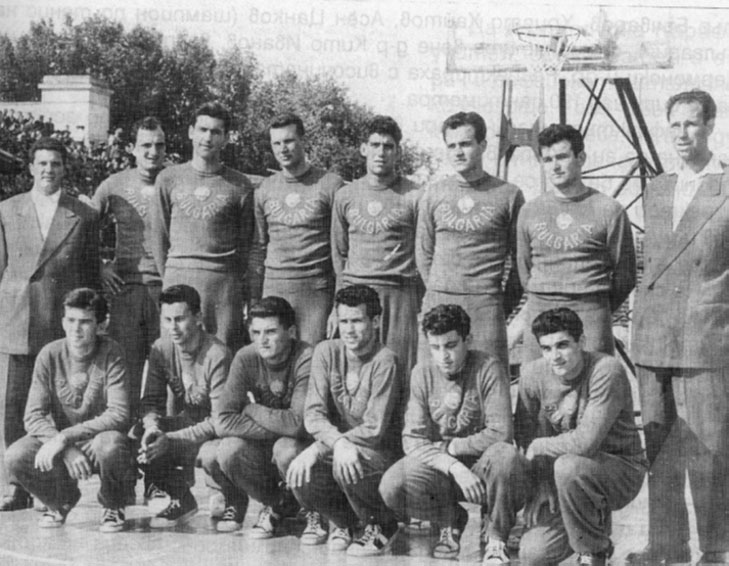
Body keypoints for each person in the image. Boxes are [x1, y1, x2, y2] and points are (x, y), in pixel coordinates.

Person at [629, 89, 729, 565]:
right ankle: (667, 545)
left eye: (691, 123)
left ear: (710, 125)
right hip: (653, 339)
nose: (682, 134)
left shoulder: (725, 185)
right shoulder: (657, 188)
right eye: (674, 125)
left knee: (709, 449)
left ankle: (716, 547)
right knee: (660, 447)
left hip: (704, 338)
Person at [492, 308, 646, 566]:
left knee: (569, 466)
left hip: (619, 470)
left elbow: (585, 443)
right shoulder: (533, 374)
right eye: (546, 348)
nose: (555, 356)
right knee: (534, 554)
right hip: (562, 476)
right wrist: (543, 484)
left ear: (581, 342)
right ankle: (591, 525)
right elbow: (525, 436)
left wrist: (541, 445)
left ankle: (593, 551)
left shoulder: (606, 370)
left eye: (562, 345)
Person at [0, 137, 99, 511]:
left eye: (55, 163)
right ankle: (16, 484)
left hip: (61, 323)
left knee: (56, 407)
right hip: (18, 321)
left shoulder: (83, 214)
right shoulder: (7, 210)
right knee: (14, 406)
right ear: (31, 168)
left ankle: (51, 485)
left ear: (64, 168)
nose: (48, 170)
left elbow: (89, 275)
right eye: (42, 163)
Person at [379, 304, 513, 563]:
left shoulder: (488, 367)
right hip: (445, 469)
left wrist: (453, 447)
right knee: (392, 485)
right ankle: (449, 520)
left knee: (505, 457)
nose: (444, 356)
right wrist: (453, 466)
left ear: (468, 340)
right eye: (436, 347)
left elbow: (501, 432)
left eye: (451, 345)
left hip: (483, 465)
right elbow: (412, 438)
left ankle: (496, 536)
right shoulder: (422, 373)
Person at [4, 288, 133, 532]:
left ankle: (113, 504)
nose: (76, 329)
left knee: (111, 445)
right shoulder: (49, 354)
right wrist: (64, 447)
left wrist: (65, 438)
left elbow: (118, 413)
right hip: (64, 445)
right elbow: (33, 415)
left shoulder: (112, 352)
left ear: (101, 325)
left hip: (97, 441)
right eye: (71, 320)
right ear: (63, 322)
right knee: (15, 455)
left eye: (85, 322)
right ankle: (60, 500)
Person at [286, 285, 402, 556]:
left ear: (375, 321)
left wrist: (321, 447)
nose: (349, 330)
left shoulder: (386, 360)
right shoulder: (326, 351)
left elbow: (374, 428)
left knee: (343, 461)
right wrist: (338, 443)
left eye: (357, 321)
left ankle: (382, 524)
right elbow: (313, 414)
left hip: (378, 454)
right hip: (340, 448)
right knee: (295, 465)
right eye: (344, 321)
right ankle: (343, 522)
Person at [516, 123, 636, 361]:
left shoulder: (609, 210)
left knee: (596, 379)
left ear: (581, 158)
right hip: (541, 311)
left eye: (562, 157)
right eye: (547, 159)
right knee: (537, 379)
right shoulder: (530, 211)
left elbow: (625, 276)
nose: (555, 166)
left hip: (589, 313)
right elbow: (524, 268)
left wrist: (596, 306)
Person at [416, 111, 523, 367]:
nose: (458, 152)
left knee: (488, 376)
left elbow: (521, 261)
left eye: (465, 144)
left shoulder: (508, 195)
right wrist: (440, 290)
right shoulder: (434, 193)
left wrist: (499, 305)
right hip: (439, 301)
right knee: (434, 379)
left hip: (485, 306)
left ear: (483, 145)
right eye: (451, 146)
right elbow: (423, 252)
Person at [150, 102, 254, 353]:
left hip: (222, 287)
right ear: (191, 132)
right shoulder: (168, 178)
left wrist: (228, 278)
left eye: (216, 132)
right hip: (179, 277)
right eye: (202, 130)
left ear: (225, 138)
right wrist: (171, 279)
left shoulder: (240, 184)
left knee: (222, 354)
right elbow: (159, 236)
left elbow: (246, 243)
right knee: (176, 355)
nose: (208, 138)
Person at [205, 296, 313, 535]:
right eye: (256, 332)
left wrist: (252, 410)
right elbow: (222, 421)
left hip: (303, 446)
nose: (262, 340)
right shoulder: (246, 356)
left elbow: (298, 424)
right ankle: (277, 505)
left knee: (286, 449)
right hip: (269, 442)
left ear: (291, 332)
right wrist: (278, 427)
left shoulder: (306, 356)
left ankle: (313, 508)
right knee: (226, 451)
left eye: (271, 332)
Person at [331, 115, 422, 376]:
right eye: (374, 145)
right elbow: (339, 253)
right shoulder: (346, 195)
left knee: (399, 370)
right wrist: (337, 305)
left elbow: (425, 252)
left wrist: (417, 301)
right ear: (363, 149)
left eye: (388, 146)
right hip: (355, 294)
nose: (381, 152)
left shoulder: (415, 195)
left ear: (398, 152)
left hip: (398, 294)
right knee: (356, 373)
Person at [133, 284, 231, 528]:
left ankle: (226, 494)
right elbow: (151, 402)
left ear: (198, 318)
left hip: (217, 433)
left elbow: (220, 420)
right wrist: (153, 427)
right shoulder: (161, 348)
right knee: (139, 435)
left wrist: (170, 438)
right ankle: (179, 496)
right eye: (167, 320)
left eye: (179, 319)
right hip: (188, 426)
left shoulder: (217, 354)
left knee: (213, 453)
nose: (173, 328)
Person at [89, 116, 167, 418]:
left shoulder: (175, 180)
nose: (153, 152)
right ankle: (123, 434)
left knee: (170, 368)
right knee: (126, 369)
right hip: (127, 289)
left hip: (167, 287)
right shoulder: (114, 185)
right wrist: (101, 265)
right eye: (145, 145)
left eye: (159, 145)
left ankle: (168, 435)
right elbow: (83, 226)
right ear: (133, 149)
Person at [249, 113, 344, 345]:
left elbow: (341, 250)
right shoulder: (264, 189)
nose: (283, 149)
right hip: (275, 286)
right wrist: (253, 301)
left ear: (303, 140)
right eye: (276, 143)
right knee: (274, 357)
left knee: (313, 356)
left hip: (315, 290)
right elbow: (258, 248)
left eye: (289, 141)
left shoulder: (330, 184)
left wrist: (338, 305)